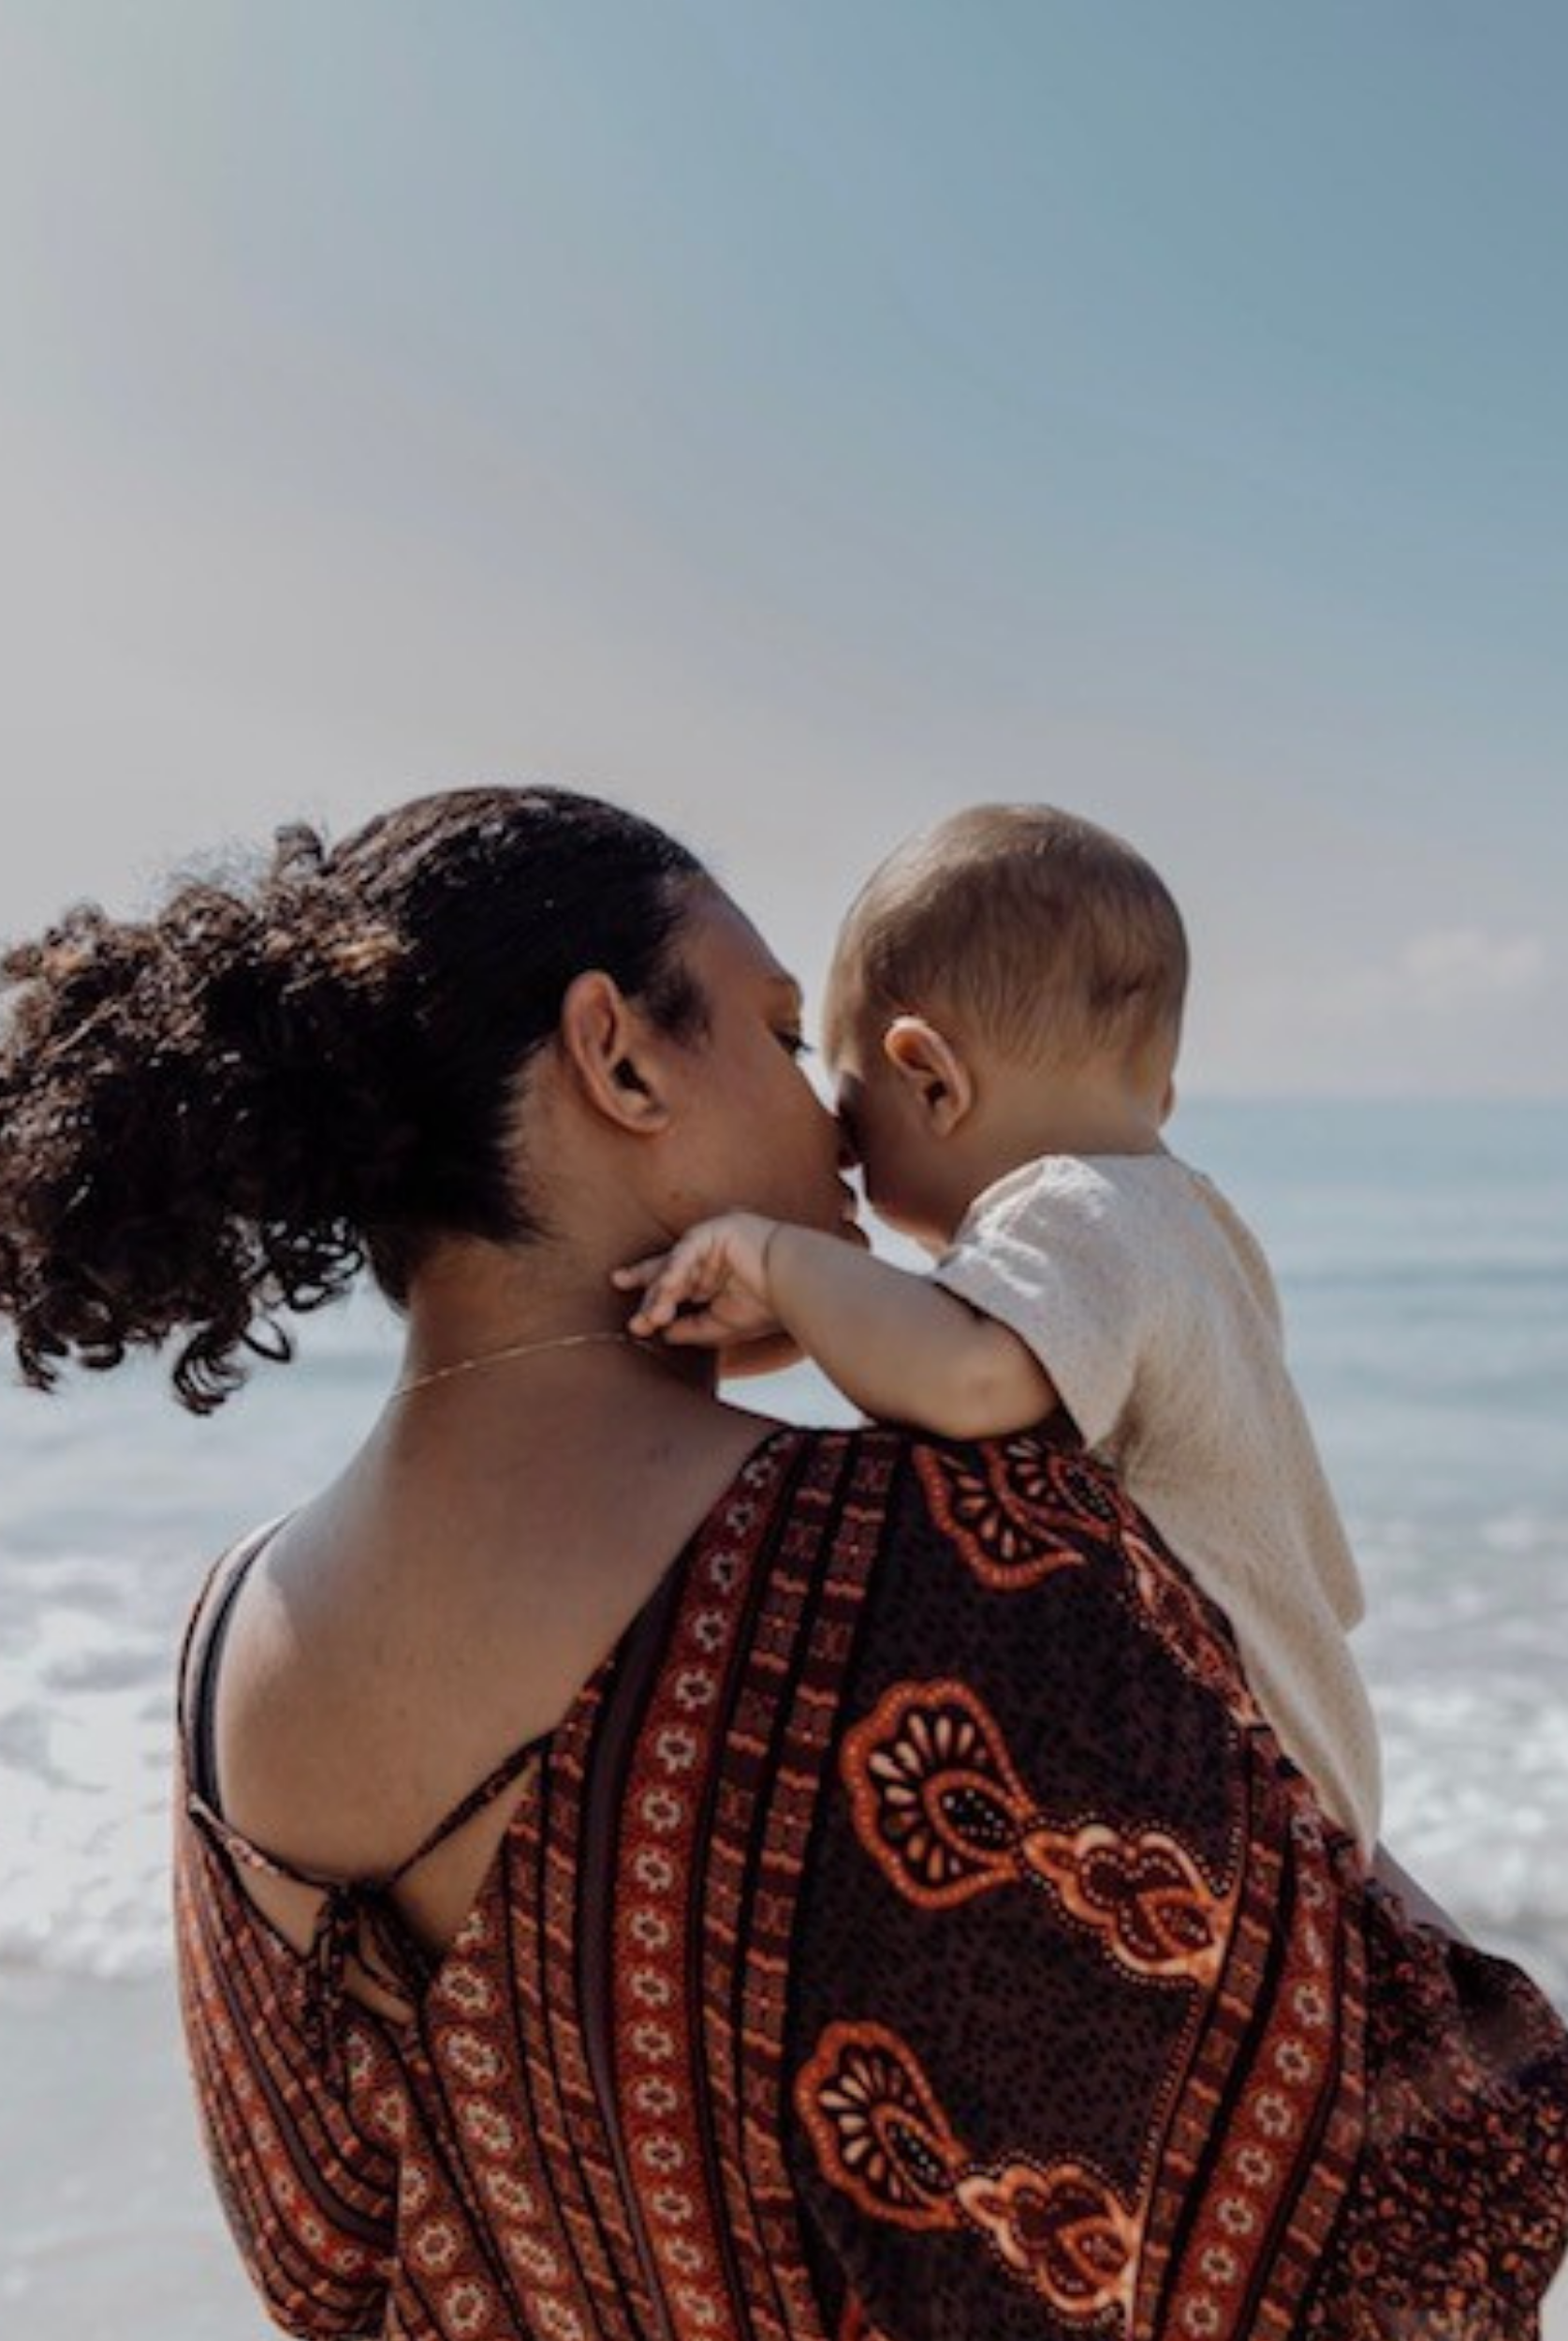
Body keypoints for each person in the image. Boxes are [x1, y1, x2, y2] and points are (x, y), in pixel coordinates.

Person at [2, 783, 1565, 2340]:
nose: (838, 1123)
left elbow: (325, 2278)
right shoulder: (936, 1554)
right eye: (781, 1036)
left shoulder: (226, 1648)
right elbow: (1402, 2183)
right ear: (618, 1056)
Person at [616, 803, 1381, 1858]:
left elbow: (967, 1378)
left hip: (1237, 1786)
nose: (841, 1153)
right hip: (1308, 1766)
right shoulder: (1192, 1232)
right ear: (1158, 1091)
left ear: (931, 1078)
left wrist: (776, 1261)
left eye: (852, 1110)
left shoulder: (1073, 1206)